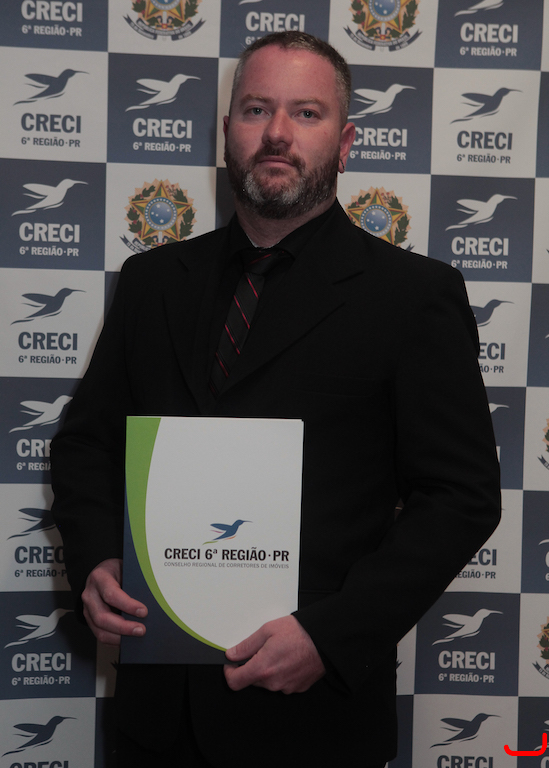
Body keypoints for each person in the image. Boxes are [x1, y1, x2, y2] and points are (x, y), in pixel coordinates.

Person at [51, 31, 501, 768]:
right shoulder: (152, 282)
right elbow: (86, 445)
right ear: (227, 130)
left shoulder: (413, 296)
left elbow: (461, 497)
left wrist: (331, 635)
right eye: (257, 110)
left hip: (314, 721)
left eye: (306, 113)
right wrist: (97, 557)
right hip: (156, 717)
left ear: (345, 143)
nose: (278, 133)